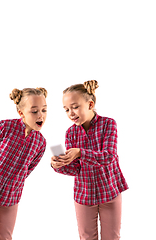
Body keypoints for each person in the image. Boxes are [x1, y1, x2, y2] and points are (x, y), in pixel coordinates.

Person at [51, 80, 128, 240]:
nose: (70, 113)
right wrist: (59, 165)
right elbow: (76, 169)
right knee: (86, 238)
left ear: (90, 104)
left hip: (110, 192)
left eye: (75, 107)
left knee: (112, 237)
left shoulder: (108, 124)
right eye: (66, 109)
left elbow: (109, 156)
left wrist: (80, 152)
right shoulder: (70, 133)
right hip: (84, 195)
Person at [0, 87, 47, 240]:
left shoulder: (40, 143)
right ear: (21, 113)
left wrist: (14, 184)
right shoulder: (5, 127)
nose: (41, 115)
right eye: (34, 111)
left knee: (5, 236)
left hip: (11, 196)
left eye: (44, 110)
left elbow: (28, 170)